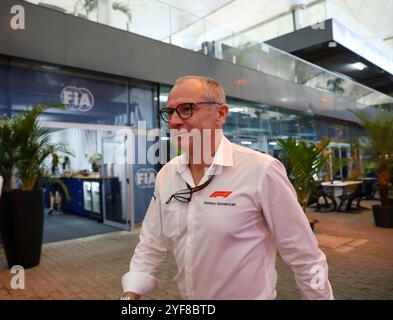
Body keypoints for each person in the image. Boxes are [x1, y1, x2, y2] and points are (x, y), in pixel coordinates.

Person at [121, 76, 334, 300]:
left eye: (186, 109)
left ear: (220, 114)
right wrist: (130, 294)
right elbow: (150, 243)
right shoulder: (167, 175)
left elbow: (305, 255)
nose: (174, 121)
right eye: (170, 112)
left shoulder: (261, 170)